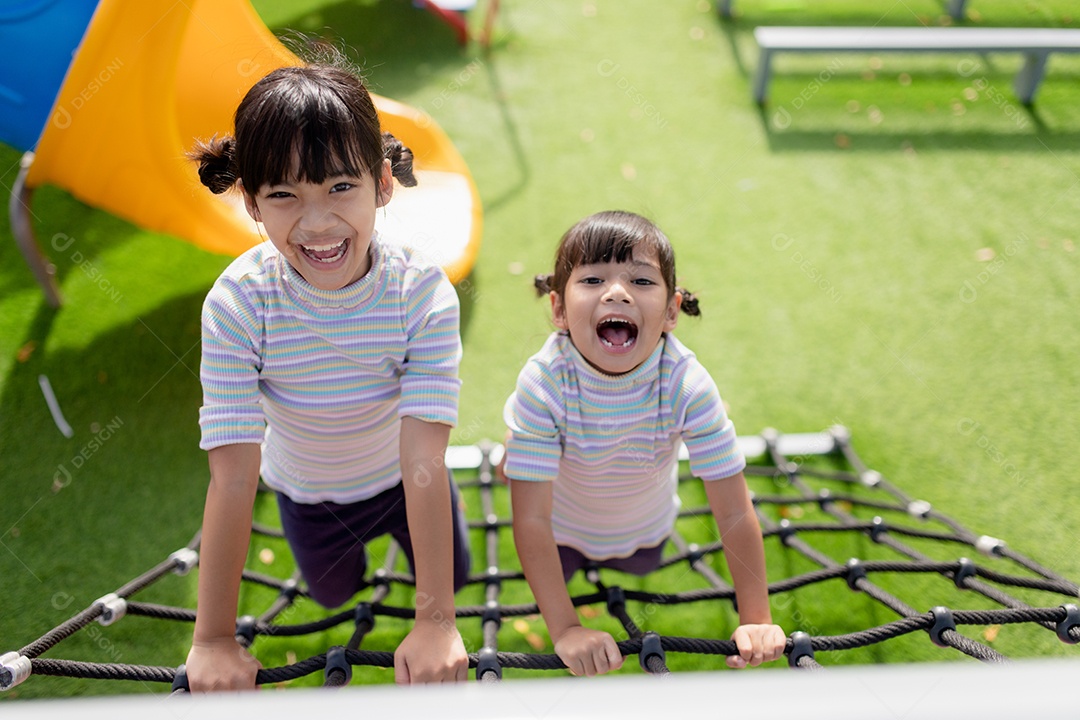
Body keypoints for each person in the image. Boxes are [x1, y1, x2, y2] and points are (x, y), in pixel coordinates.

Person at [185, 57, 471, 690]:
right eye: (284, 195)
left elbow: (424, 455)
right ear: (252, 202)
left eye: (340, 188)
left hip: (407, 480)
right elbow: (233, 477)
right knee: (336, 593)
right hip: (311, 496)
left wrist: (436, 621)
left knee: (459, 572)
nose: (316, 223)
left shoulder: (419, 292)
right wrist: (211, 638)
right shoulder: (239, 304)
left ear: (382, 185)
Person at [501, 210, 785, 677]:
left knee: (640, 565)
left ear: (672, 311)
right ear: (558, 309)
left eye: (641, 281)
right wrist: (566, 628)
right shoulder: (544, 382)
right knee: (551, 555)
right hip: (558, 533)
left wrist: (756, 617)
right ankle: (523, 449)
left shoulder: (686, 383)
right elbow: (529, 517)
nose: (617, 291)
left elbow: (733, 509)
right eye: (593, 279)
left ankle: (526, 450)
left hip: (645, 532)